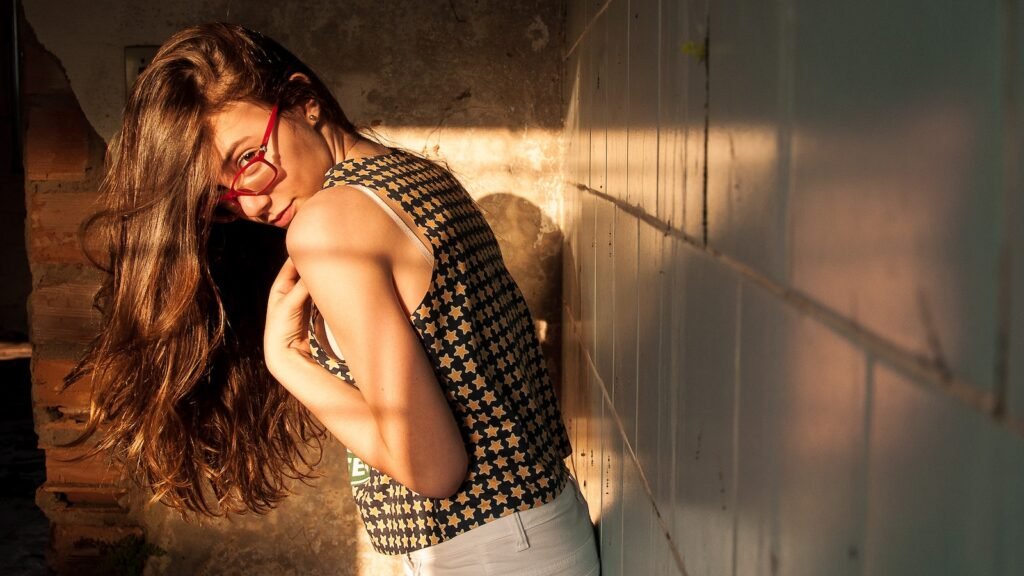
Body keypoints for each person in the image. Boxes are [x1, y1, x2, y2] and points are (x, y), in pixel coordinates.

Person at [66, 23, 600, 575]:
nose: (249, 205)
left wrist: (286, 362)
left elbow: (434, 467)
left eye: (247, 159)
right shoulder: (410, 175)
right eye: (221, 198)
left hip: (490, 552)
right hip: (538, 529)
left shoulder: (328, 222)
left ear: (302, 101)